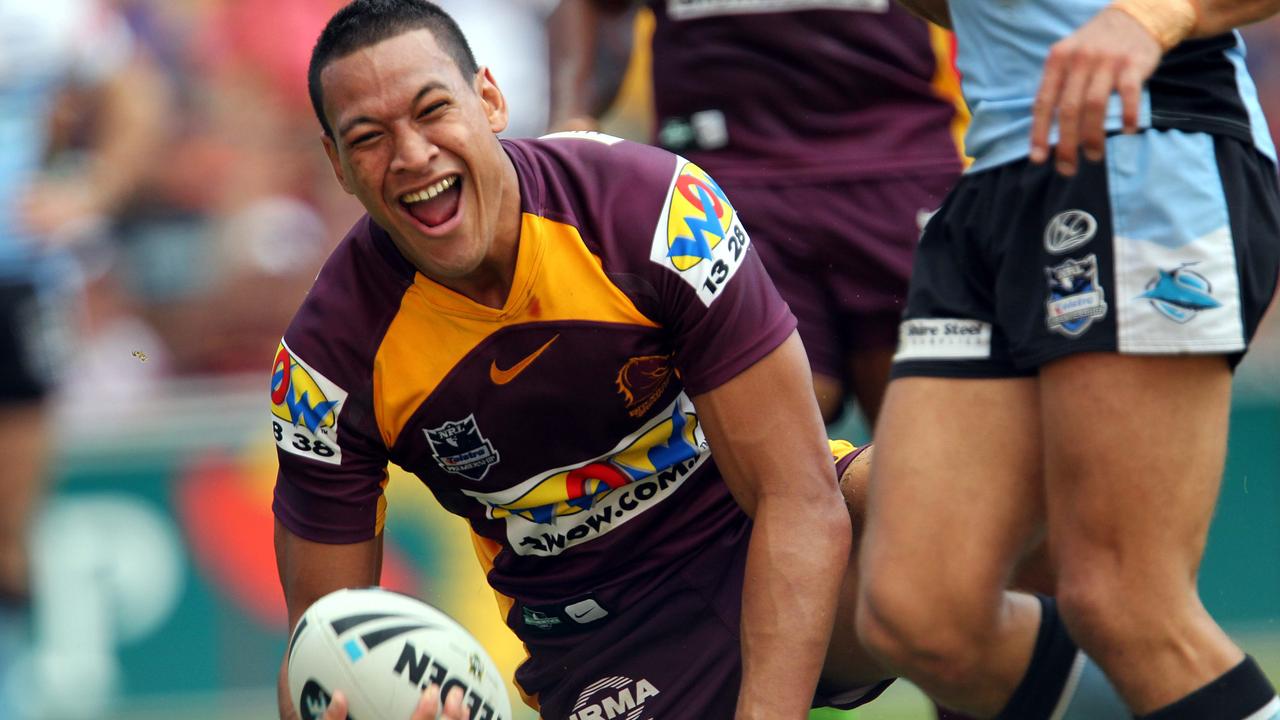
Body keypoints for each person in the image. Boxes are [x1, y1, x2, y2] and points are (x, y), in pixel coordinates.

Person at [276, 3, 1139, 720]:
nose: (413, 156)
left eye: (432, 112)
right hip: (603, 639)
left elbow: (800, 499)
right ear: (338, 166)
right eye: (370, 137)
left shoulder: (652, 210)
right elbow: (321, 649)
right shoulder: (324, 369)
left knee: (979, 518)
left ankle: (1193, 700)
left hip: (758, 532)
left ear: (490, 100)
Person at [858, 0, 1280, 718]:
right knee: (922, 615)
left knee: (1125, 603)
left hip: (1139, 143)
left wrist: (1160, 13)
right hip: (993, 179)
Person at [547, 0, 968, 428]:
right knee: (766, 443)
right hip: (720, 180)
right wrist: (567, 116)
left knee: (930, 446)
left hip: (899, 162)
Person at [0, 0, 165, 713]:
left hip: (15, 282)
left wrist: (90, 189)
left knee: (7, 531)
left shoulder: (41, 14)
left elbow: (138, 93)